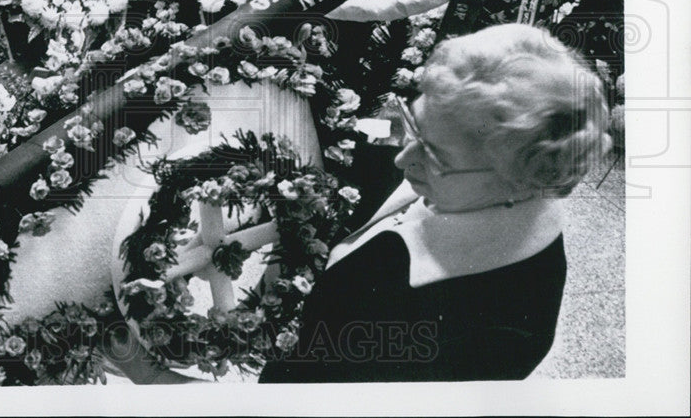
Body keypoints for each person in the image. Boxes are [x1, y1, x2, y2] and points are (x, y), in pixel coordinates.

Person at [259, 23, 611, 383]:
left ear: (517, 181)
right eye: (414, 125)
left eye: (435, 155)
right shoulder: (465, 172)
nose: (402, 159)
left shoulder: (496, 336)